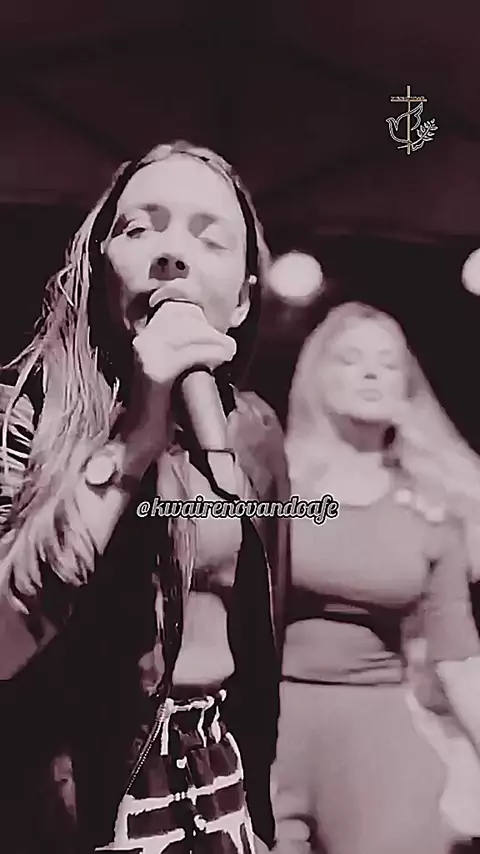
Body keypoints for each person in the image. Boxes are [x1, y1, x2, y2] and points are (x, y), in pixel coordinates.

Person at [0, 141, 290, 854]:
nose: (172, 253)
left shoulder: (252, 431)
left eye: (209, 239)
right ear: (101, 265)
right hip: (72, 802)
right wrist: (134, 440)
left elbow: (261, 647)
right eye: (140, 228)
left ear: (243, 298)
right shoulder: (24, 414)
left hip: (217, 783)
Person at [272, 301, 480, 854]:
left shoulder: (429, 508)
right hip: (262, 729)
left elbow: (459, 656)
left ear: (405, 387)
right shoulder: (271, 485)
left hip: (376, 736)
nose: (371, 373)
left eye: (388, 364)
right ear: (317, 377)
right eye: (351, 359)